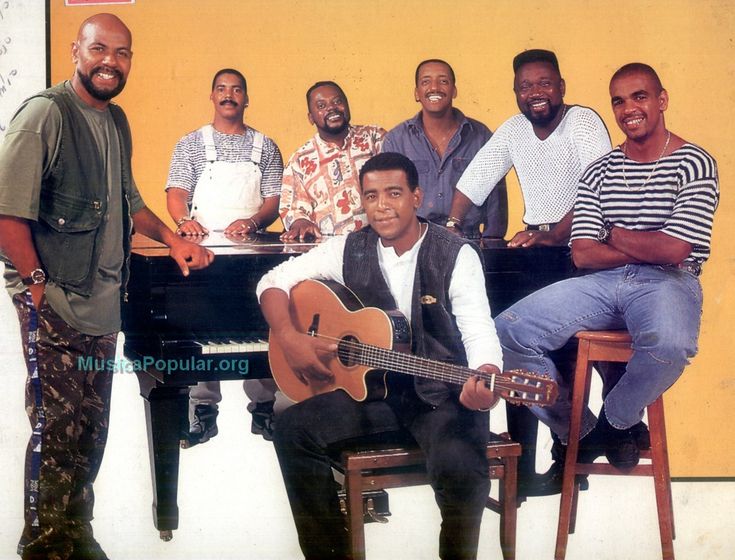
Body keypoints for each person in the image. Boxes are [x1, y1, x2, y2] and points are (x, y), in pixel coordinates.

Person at [0, 14, 213, 560]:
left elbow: (133, 202)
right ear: (76, 50)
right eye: (99, 49)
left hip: (102, 304)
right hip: (56, 299)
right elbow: (6, 215)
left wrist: (172, 239)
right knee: (57, 435)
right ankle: (45, 547)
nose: (110, 62)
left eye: (121, 53)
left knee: (90, 432)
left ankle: (76, 535)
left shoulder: (115, 120)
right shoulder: (45, 115)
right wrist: (36, 286)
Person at [257, 152, 502, 559]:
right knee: (292, 430)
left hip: (440, 396)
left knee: (461, 471)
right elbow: (273, 280)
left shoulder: (456, 254)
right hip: (378, 397)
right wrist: (289, 336)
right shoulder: (350, 247)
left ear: (416, 197)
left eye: (394, 193)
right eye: (371, 196)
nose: (382, 206)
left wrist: (487, 375)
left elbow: (479, 330)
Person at [495, 63, 718, 472]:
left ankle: (617, 421)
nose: (629, 108)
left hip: (668, 283)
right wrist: (650, 244)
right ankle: (577, 429)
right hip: (601, 283)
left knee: (670, 344)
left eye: (640, 96)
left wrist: (614, 234)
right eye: (619, 100)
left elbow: (676, 250)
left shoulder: (694, 162)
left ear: (662, 100)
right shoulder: (599, 170)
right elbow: (582, 254)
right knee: (510, 329)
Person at [449, 49, 613, 496]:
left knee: (562, 357)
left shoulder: (582, 122)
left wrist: (553, 234)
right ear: (516, 92)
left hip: (580, 249)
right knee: (515, 351)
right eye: (525, 86)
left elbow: (597, 191)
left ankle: (573, 454)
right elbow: (475, 180)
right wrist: (450, 225)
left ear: (561, 85)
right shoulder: (515, 129)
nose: (535, 93)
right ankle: (522, 470)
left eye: (544, 83)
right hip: (535, 251)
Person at [165, 68, 284, 444]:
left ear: (247, 99)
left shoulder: (266, 146)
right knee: (201, 323)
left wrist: (252, 221)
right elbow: (176, 192)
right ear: (212, 96)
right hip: (202, 252)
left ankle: (265, 407)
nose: (229, 95)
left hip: (253, 253)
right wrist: (185, 221)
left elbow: (273, 202)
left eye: (237, 90)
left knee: (261, 323)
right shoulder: (191, 143)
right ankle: (203, 409)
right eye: (222, 89)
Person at [382, 58, 508, 239]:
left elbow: (496, 202)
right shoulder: (396, 140)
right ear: (417, 93)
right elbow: (389, 200)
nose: (434, 88)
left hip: (467, 241)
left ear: (454, 90)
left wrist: (492, 245)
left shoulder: (480, 136)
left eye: (443, 81)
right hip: (414, 241)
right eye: (426, 82)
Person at [279, 81, 385, 241]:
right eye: (321, 106)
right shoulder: (300, 159)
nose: (331, 108)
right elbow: (293, 209)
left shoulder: (374, 137)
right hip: (329, 248)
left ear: (347, 106)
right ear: (311, 118)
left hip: (380, 241)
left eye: (337, 101)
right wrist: (301, 222)